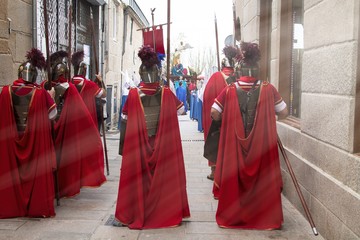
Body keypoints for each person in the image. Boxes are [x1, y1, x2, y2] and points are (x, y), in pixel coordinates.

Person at [210, 42, 288, 229]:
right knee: (262, 179)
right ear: (258, 68)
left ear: (240, 69)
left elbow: (214, 112)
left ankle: (234, 216)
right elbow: (284, 112)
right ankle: (263, 217)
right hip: (261, 147)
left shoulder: (229, 89)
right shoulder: (269, 89)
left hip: (235, 146)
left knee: (235, 179)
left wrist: (228, 118)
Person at [115, 45, 190, 229]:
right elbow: (181, 110)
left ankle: (138, 211)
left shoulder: (133, 95)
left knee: (139, 180)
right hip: (161, 143)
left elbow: (124, 117)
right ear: (157, 73)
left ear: (141, 73)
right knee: (163, 180)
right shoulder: (166, 93)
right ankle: (163, 211)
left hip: (140, 147)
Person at [0, 48, 56, 218]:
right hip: (34, 140)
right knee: (35, 172)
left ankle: (12, 205)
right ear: (33, 76)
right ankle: (34, 205)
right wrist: (50, 95)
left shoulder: (5, 91)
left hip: (11, 140)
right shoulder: (40, 93)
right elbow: (52, 115)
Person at [42, 50, 106, 198]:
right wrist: (100, 81)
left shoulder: (44, 85)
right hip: (69, 123)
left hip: (49, 123)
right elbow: (102, 94)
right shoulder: (77, 85)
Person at [202, 46, 238, 180]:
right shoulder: (238, 77)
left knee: (215, 141)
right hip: (234, 119)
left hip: (216, 119)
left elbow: (206, 98)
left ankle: (215, 170)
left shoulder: (215, 77)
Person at [71, 50, 107, 129]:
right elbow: (104, 94)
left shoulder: (69, 83)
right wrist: (100, 81)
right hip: (86, 121)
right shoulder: (89, 85)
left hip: (72, 120)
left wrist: (94, 83)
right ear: (84, 70)